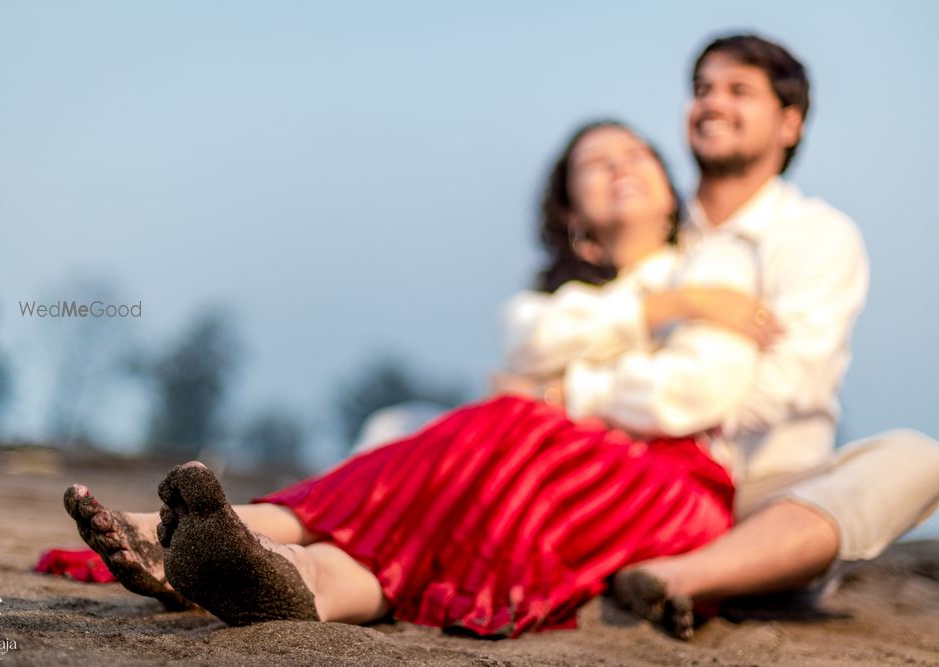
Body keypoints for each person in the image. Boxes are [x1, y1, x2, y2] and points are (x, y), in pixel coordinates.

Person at [63, 122, 770, 639]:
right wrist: (664, 309)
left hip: (668, 485)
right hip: (539, 466)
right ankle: (298, 579)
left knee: (504, 424)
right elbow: (530, 336)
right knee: (460, 500)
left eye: (636, 152)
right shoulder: (564, 303)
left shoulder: (718, 268)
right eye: (595, 162)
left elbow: (700, 388)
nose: (620, 165)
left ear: (671, 192)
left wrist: (564, 394)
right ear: (575, 222)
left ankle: (199, 532)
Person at [502, 34, 939, 637]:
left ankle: (683, 577)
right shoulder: (653, 219)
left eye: (739, 91)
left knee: (918, 459)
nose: (712, 104)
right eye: (702, 89)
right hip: (632, 469)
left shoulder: (816, 236)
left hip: (768, 488)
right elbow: (571, 328)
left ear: (790, 123)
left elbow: (777, 389)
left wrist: (575, 394)